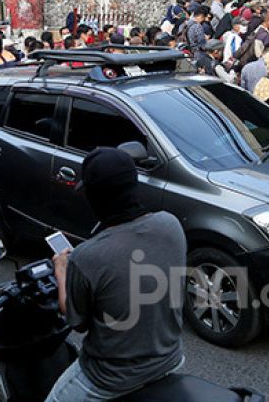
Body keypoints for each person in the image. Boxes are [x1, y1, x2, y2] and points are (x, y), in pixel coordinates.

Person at [47, 148, 186, 402]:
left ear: (92, 197)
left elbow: (76, 322)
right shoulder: (171, 225)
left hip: (110, 377)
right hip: (170, 359)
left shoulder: (86, 257)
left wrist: (61, 270)